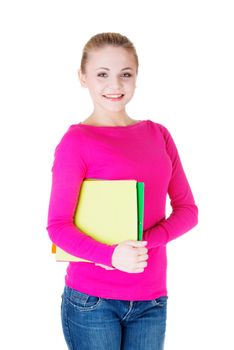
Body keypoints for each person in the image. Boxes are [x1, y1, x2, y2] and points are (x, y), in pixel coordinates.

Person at [46, 32, 198, 350]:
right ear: (82, 77)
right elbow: (57, 227)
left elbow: (188, 210)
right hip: (92, 301)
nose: (114, 86)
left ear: (136, 78)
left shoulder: (159, 135)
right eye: (102, 74)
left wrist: (146, 243)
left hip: (151, 300)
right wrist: (112, 256)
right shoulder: (76, 142)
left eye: (125, 74)